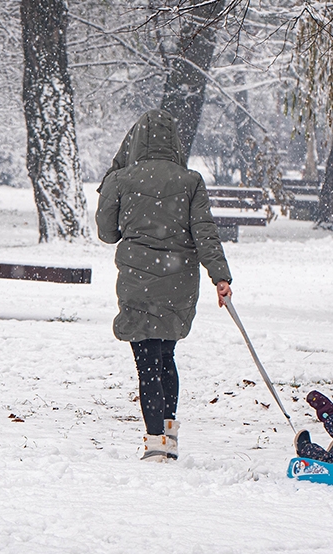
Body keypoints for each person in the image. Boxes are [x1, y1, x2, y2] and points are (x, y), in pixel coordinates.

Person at [96, 109, 232, 462]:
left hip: (138, 280)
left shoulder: (122, 179)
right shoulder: (190, 181)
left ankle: (155, 442)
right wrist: (220, 276)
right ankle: (168, 437)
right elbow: (205, 233)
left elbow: (106, 233)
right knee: (166, 356)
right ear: (174, 141)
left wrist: (114, 180)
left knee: (146, 363)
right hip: (178, 281)